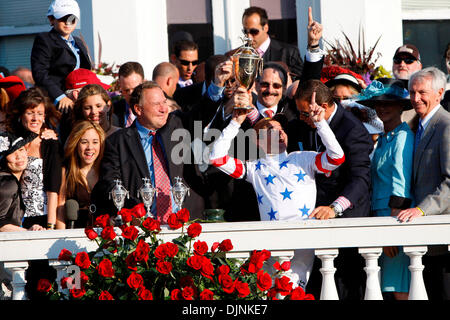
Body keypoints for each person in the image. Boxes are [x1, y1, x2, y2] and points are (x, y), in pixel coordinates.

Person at [209, 94, 345, 289]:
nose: (279, 133)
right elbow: (217, 158)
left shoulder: (303, 158)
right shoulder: (254, 169)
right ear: (257, 141)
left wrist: (321, 123)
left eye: (281, 130)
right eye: (271, 131)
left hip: (303, 243)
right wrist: (235, 123)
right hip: (272, 244)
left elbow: (336, 158)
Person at [288, 79, 373, 300]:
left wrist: (335, 208)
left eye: (305, 113)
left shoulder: (353, 129)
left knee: (346, 288)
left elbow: (361, 179)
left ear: (322, 107)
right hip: (316, 220)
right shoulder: (308, 123)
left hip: (347, 220)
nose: (302, 118)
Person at [98, 81, 205, 222]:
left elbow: (202, 112)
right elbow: (111, 184)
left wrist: (217, 86)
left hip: (185, 222)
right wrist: (135, 212)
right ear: (138, 109)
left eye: (164, 102)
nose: (164, 109)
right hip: (142, 227)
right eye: (156, 104)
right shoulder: (117, 142)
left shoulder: (177, 127)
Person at [356, 80, 414, 300]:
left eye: (389, 103)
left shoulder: (402, 136)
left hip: (395, 220)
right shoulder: (383, 139)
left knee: (399, 288)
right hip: (380, 218)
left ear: (401, 106)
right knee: (386, 287)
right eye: (378, 103)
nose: (382, 107)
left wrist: (391, 230)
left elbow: (401, 184)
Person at [397, 67, 450, 300]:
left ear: (439, 93)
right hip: (421, 238)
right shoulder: (414, 126)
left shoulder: (446, 125)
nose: (416, 98)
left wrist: (421, 209)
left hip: (441, 235)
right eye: (412, 92)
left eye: (422, 93)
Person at [5, 87, 62, 231]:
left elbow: (53, 189)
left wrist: (50, 227)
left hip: (41, 218)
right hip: (12, 218)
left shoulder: (50, 143)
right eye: (30, 113)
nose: (35, 118)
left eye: (39, 113)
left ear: (44, 116)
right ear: (21, 114)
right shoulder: (11, 141)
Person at [30, 0, 92, 111]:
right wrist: (60, 97)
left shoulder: (78, 42)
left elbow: (85, 71)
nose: (68, 22)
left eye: (72, 19)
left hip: (79, 99)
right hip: (58, 103)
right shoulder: (45, 39)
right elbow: (40, 73)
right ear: (51, 19)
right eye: (63, 18)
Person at [56, 121, 105, 229]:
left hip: (104, 236)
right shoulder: (65, 171)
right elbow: (60, 209)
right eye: (84, 142)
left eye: (95, 142)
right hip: (75, 236)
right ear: (76, 143)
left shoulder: (107, 171)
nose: (90, 147)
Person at [241, 6, 303, 81]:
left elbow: (302, 84)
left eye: (254, 32)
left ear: (266, 28)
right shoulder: (238, 55)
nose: (249, 37)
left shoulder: (289, 53)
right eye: (245, 31)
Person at [0, 131, 43, 232]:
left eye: (21, 150)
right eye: (11, 153)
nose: (18, 156)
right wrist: (27, 233)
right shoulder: (7, 183)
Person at [113, 61, 145, 128]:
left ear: (144, 83)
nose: (131, 93)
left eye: (135, 89)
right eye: (126, 90)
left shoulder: (155, 109)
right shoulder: (113, 111)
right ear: (120, 86)